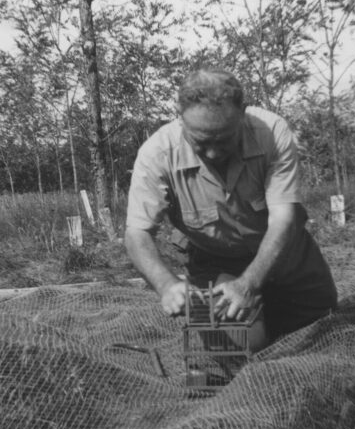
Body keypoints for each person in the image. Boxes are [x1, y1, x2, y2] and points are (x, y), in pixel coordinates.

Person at [124, 69, 337, 354]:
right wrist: (166, 284)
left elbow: (284, 220)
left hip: (284, 250)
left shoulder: (272, 133)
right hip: (215, 261)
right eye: (201, 141)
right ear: (180, 117)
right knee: (235, 352)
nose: (213, 153)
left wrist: (249, 283)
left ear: (243, 115)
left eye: (223, 139)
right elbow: (137, 233)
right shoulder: (156, 154)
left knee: (323, 329)